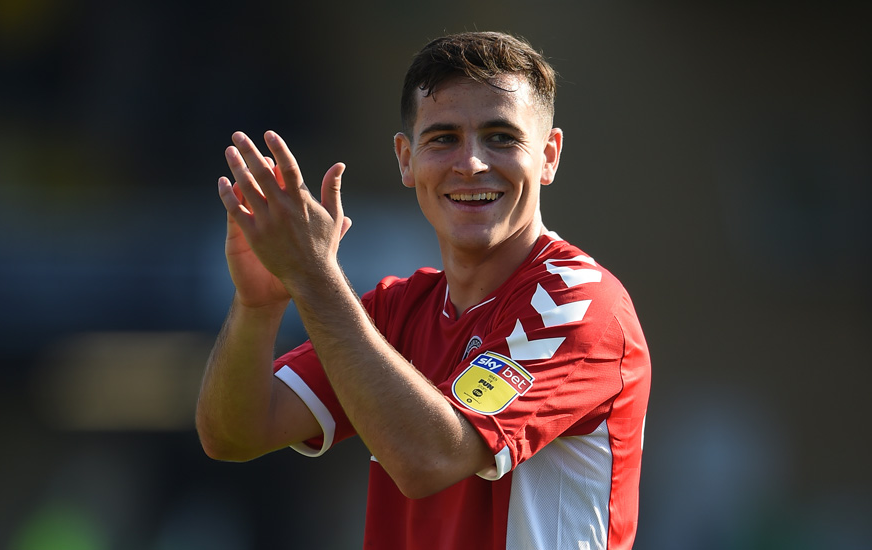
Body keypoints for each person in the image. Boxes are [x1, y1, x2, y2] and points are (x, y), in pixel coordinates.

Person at [196, 31, 652, 549]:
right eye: (443, 138)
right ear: (406, 159)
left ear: (548, 156)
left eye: (502, 137)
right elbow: (234, 434)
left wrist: (314, 278)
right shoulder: (396, 310)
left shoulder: (579, 301)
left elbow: (430, 459)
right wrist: (258, 305)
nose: (472, 163)